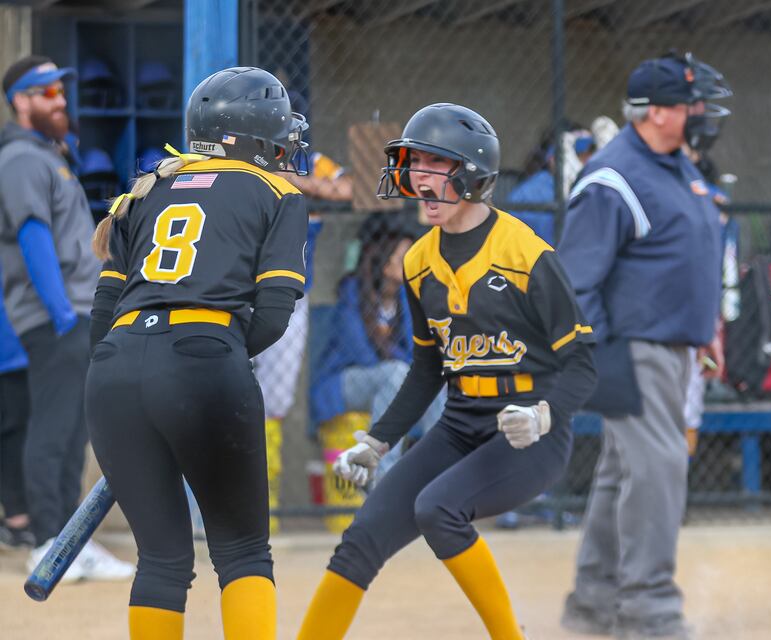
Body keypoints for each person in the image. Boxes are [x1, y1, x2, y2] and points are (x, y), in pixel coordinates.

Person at [296, 102, 597, 640]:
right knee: (361, 537)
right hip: (460, 425)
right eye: (414, 166)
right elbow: (426, 369)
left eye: (435, 166)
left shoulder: (526, 254)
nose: (418, 179)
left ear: (474, 175)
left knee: (439, 509)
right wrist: (379, 441)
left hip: (529, 436)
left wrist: (545, 414)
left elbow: (581, 363)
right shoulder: (418, 262)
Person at [84, 67, 309, 639]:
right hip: (203, 358)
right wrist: (219, 357)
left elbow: (101, 316)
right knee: (242, 552)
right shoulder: (278, 191)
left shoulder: (148, 187)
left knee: (161, 561)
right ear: (255, 136)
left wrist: (131, 376)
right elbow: (275, 313)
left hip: (114, 366)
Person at [557, 52, 732, 639]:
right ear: (656, 112)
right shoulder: (611, 177)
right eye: (692, 105)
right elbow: (575, 278)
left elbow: (692, 252)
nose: (703, 114)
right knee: (658, 468)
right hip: (632, 346)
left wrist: (704, 327)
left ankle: (594, 603)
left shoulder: (679, 167)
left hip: (674, 346)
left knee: (623, 473)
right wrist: (603, 355)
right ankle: (650, 609)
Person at [0, 55, 133, 579]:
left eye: (61, 90)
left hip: (73, 315)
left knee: (72, 430)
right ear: (21, 101)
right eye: (47, 92)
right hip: (57, 317)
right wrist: (61, 314)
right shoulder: (21, 160)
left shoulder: (46, 155)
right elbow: (33, 237)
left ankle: (66, 543)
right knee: (53, 431)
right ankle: (49, 542)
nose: (60, 100)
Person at [250, 145, 352, 534]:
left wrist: (297, 181)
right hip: (237, 292)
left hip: (292, 296)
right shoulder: (246, 159)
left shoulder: (313, 160)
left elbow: (351, 190)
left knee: (276, 401)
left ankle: (266, 508)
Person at [310, 224, 445, 481]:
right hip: (344, 383)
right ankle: (383, 480)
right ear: (385, 265)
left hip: (392, 382)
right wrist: (402, 366)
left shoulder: (405, 296)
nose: (413, 262)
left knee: (433, 378)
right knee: (396, 373)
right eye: (405, 257)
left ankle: (439, 471)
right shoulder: (352, 291)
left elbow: (417, 351)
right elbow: (360, 353)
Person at [0, 273, 34, 549]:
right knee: (13, 435)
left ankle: (17, 519)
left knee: (14, 435)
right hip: (12, 350)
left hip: (14, 352)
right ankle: (17, 520)